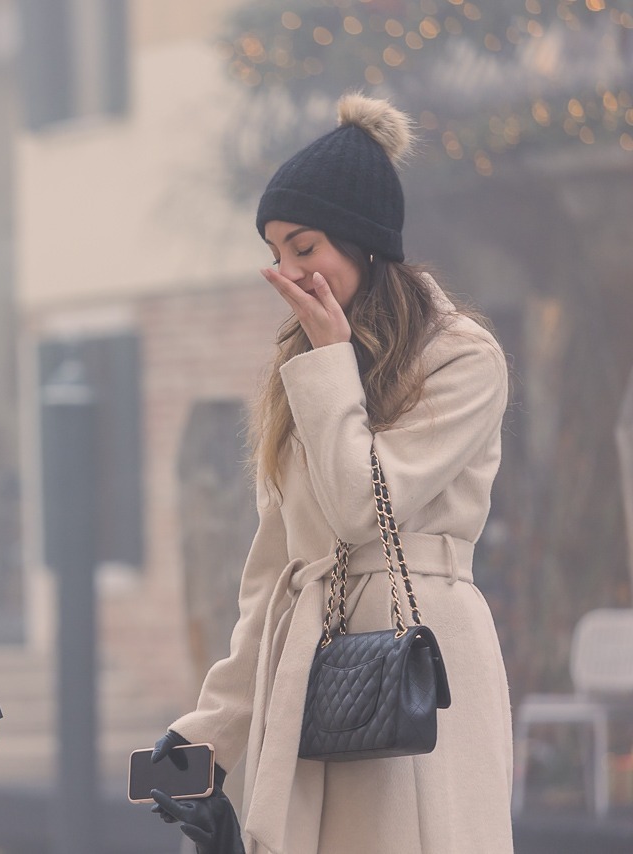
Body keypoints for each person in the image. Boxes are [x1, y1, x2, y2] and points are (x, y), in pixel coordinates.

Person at [149, 93, 513, 853]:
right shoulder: (301, 370)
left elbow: (363, 505)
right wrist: (205, 735)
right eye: (277, 251)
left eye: (304, 246)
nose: (287, 270)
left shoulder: (462, 357)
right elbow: (275, 577)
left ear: (363, 240)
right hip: (318, 671)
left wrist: (326, 360)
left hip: (420, 667)